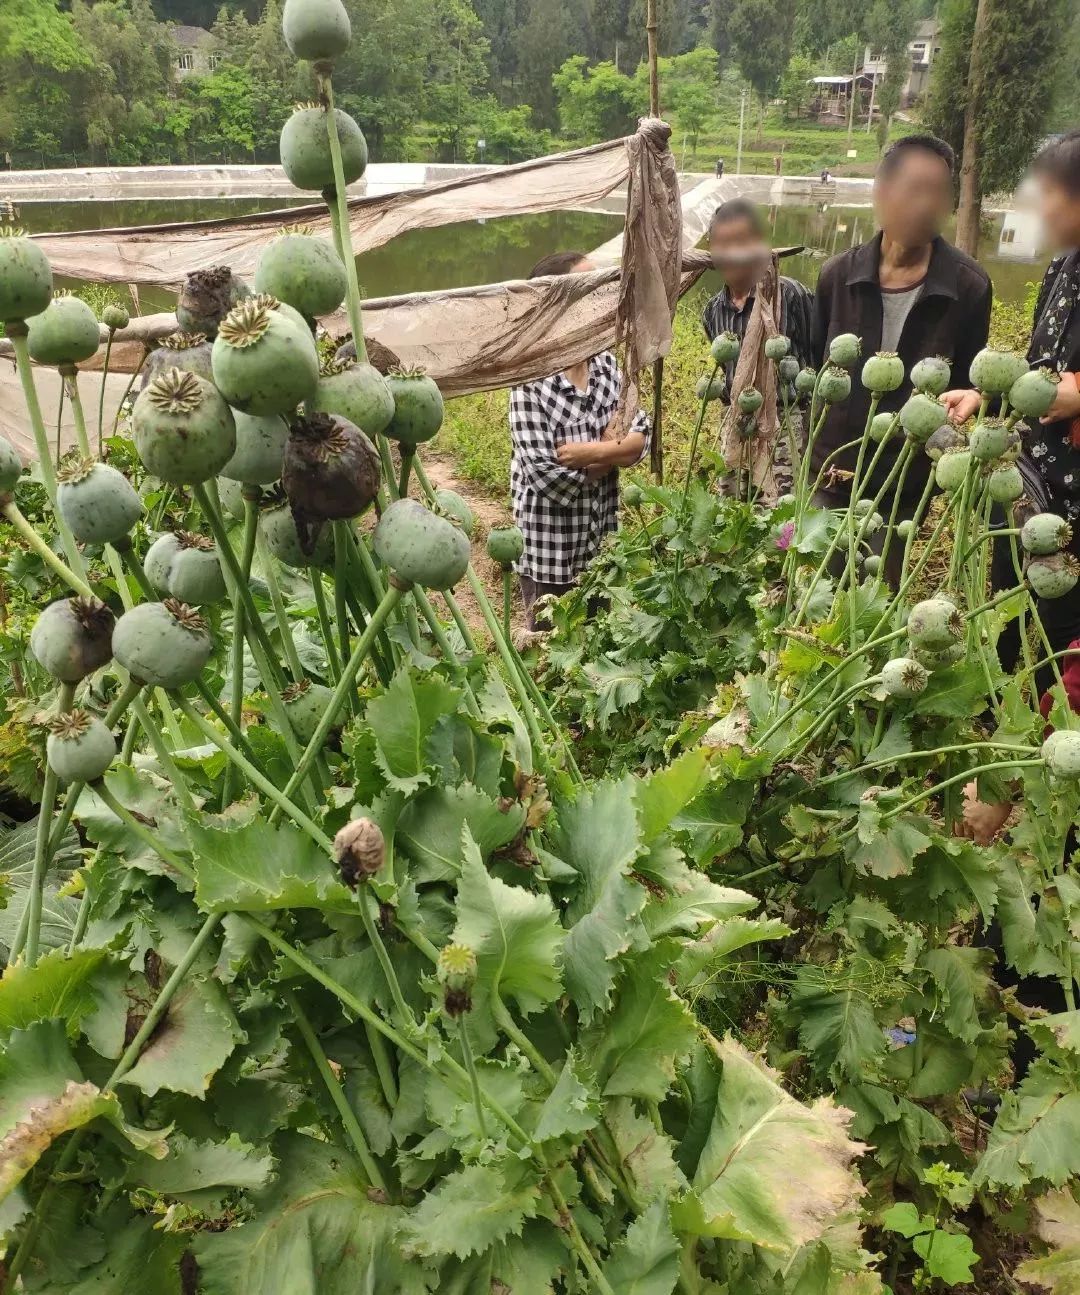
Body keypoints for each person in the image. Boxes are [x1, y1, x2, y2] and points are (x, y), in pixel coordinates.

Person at [810, 133, 993, 577]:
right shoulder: (836, 276)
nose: (927, 204)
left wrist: (974, 397)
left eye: (939, 193)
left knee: (876, 592)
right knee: (812, 589)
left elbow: (974, 384)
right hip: (833, 469)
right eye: (916, 189)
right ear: (882, 190)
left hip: (905, 479)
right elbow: (820, 371)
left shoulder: (968, 287)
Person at [509, 251, 651, 630]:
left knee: (594, 651)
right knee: (549, 654)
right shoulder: (529, 377)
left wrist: (590, 453)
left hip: (600, 545)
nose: (603, 296)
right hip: (548, 551)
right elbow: (543, 473)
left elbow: (641, 437)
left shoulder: (606, 365)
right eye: (590, 288)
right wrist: (612, 452)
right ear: (559, 301)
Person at [702, 198, 815, 393]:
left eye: (741, 242)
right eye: (722, 243)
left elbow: (818, 355)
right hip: (736, 413)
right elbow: (725, 368)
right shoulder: (712, 312)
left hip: (790, 414)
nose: (732, 253)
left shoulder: (790, 294)